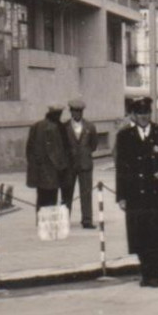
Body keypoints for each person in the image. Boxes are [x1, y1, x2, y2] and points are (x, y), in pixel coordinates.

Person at [114, 97, 158, 287]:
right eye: (140, 114)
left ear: (150, 114)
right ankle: (146, 271)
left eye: (147, 113)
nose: (144, 117)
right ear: (134, 116)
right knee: (139, 234)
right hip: (136, 194)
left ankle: (156, 272)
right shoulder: (125, 136)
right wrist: (121, 196)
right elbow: (121, 168)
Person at [57, 97, 100, 229]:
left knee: (86, 193)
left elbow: (94, 145)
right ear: (70, 112)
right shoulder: (64, 127)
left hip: (85, 164)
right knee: (67, 193)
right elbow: (61, 146)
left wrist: (84, 154)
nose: (77, 114)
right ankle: (64, 220)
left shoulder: (90, 126)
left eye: (80, 111)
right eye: (75, 111)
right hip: (69, 166)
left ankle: (87, 220)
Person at [26, 104, 71, 209]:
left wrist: (34, 167)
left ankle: (41, 223)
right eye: (59, 113)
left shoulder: (36, 126)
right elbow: (57, 151)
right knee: (51, 200)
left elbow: (29, 150)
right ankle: (47, 224)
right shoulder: (57, 127)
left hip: (41, 172)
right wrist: (62, 167)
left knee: (41, 200)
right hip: (53, 171)